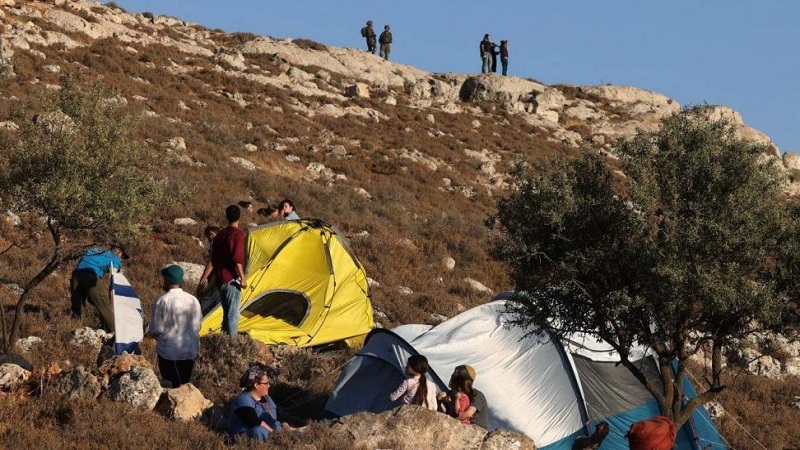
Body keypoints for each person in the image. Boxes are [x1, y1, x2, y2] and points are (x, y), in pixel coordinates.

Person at [145, 264, 202, 388]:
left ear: (167, 280)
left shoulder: (162, 301)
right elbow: (198, 325)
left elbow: (155, 329)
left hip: (169, 353)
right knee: (186, 385)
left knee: (171, 387)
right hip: (190, 352)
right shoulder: (193, 300)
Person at [199, 204, 247, 335]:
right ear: (239, 217)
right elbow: (237, 258)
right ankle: (231, 341)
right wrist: (243, 278)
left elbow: (213, 259)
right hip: (232, 279)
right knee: (233, 313)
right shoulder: (238, 234)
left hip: (220, 280)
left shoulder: (220, 234)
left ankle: (224, 340)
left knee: (226, 313)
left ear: (227, 217)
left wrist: (205, 280)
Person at [70, 244, 129, 333]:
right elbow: (113, 277)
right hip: (90, 275)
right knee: (104, 303)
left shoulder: (94, 250)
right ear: (118, 251)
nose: (121, 259)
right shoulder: (115, 257)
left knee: (77, 307)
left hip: (75, 275)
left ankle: (74, 329)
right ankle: (116, 333)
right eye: (122, 256)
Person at [228, 366, 284, 443]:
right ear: (256, 385)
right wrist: (274, 434)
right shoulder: (243, 399)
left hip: (271, 434)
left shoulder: (268, 399)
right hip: (247, 435)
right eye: (266, 383)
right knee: (258, 431)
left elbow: (277, 417)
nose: (269, 386)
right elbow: (254, 421)